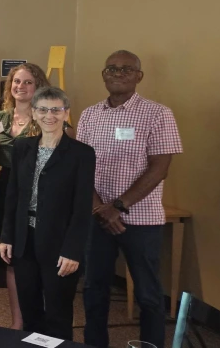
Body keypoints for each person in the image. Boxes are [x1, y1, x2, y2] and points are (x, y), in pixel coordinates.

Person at [80, 50, 182, 348]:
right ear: (103, 75)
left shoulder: (158, 113)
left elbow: (160, 168)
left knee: (148, 293)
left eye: (126, 69)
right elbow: (81, 167)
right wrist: (100, 208)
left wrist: (118, 206)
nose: (118, 74)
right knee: (94, 288)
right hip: (97, 218)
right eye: (111, 69)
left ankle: (151, 344)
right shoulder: (89, 115)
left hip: (141, 220)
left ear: (139, 76)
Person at [0, 87, 94, 341]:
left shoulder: (82, 153)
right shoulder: (22, 147)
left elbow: (82, 206)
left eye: (55, 110)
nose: (48, 115)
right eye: (42, 109)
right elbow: (13, 196)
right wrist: (7, 236)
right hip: (24, 239)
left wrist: (73, 250)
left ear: (66, 113)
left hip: (59, 243)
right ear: (33, 112)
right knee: (29, 308)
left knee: (57, 312)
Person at [0, 62, 52, 330]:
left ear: (39, 86)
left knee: (40, 256)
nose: (21, 86)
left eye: (28, 82)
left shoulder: (48, 116)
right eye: (16, 81)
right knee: (12, 256)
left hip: (41, 191)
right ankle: (18, 323)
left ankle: (42, 322)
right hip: (7, 189)